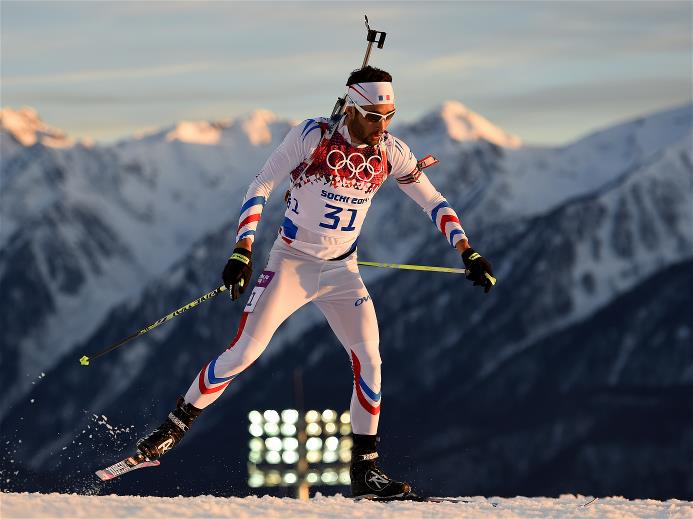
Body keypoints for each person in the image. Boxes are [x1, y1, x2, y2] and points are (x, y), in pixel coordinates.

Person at [136, 66, 495, 500]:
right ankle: (173, 427)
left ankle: (364, 471)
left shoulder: (391, 152)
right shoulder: (312, 137)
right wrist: (242, 249)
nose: (382, 125)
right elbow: (262, 184)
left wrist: (467, 251)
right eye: (372, 115)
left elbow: (433, 201)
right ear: (351, 107)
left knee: (371, 362)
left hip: (342, 271)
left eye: (389, 115)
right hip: (292, 263)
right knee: (245, 351)